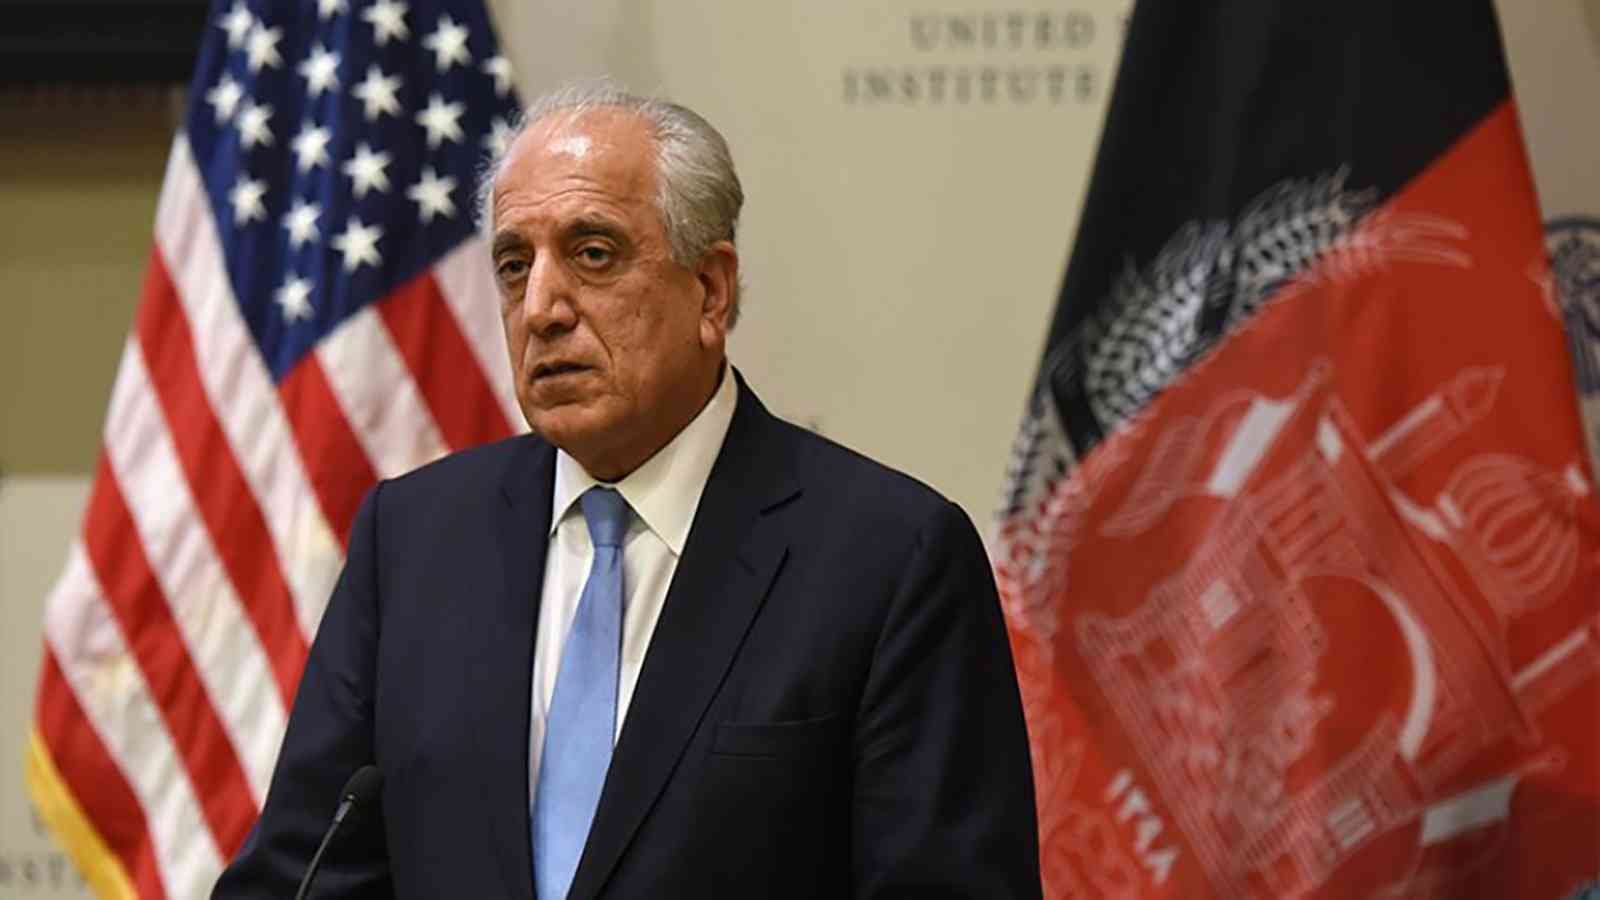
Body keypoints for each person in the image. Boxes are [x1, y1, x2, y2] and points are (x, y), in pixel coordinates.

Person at [213, 83, 1040, 899]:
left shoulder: (889, 560)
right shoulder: (414, 540)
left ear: (710, 290)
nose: (541, 309)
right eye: (514, 265)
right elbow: (299, 878)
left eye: (593, 254)